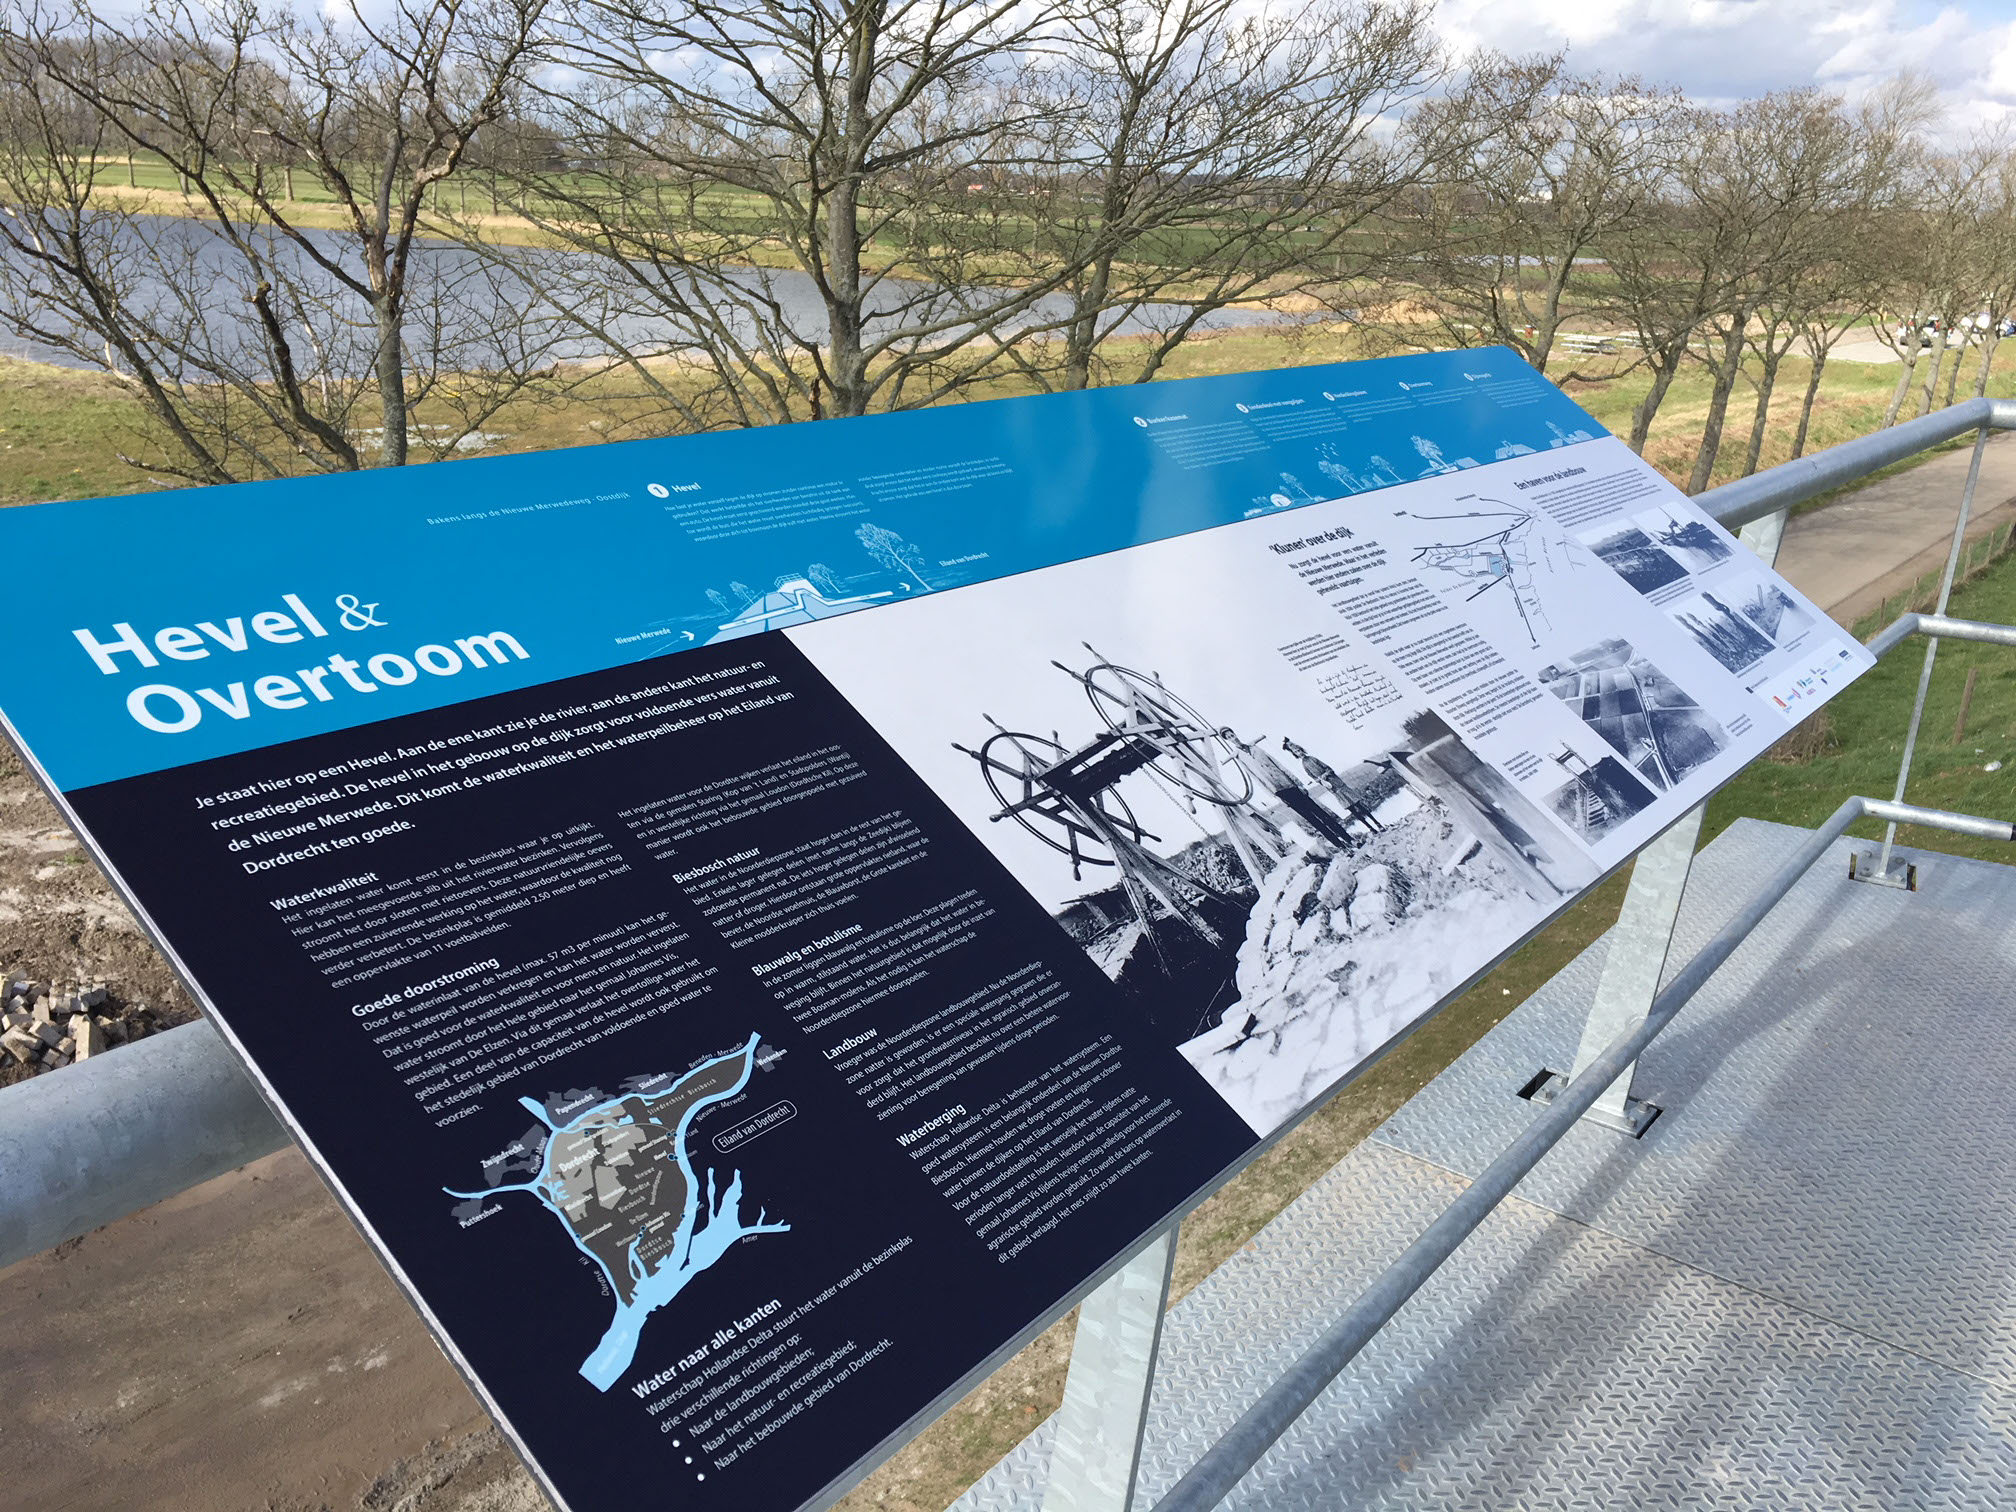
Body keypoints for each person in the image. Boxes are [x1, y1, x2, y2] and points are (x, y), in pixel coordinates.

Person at [1221, 729, 1355, 852]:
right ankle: (1340, 846)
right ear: (1228, 740)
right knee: (1312, 820)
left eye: (1232, 735)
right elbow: (1256, 778)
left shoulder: (1255, 748)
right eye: (1229, 737)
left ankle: (1348, 839)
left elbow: (1279, 765)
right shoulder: (1240, 757)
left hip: (1290, 785)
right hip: (1279, 792)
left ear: (1235, 734)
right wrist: (1275, 796)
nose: (1233, 738)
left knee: (1320, 812)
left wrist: (1298, 783)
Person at [1280, 736, 1385, 834]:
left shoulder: (1313, 758)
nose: (1299, 753)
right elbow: (1313, 777)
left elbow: (1329, 769)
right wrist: (1320, 780)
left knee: (1359, 805)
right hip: (1333, 789)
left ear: (1302, 750)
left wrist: (1324, 776)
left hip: (1339, 784)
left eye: (1299, 750)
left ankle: (1377, 824)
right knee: (1352, 810)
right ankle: (1370, 828)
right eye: (1296, 752)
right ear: (1295, 754)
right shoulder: (1304, 765)